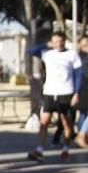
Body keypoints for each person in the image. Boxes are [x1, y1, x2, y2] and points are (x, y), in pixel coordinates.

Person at [28, 32, 81, 161]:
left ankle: (66, 148)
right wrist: (46, 44)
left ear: (64, 41)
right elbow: (31, 51)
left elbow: (78, 75)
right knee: (44, 122)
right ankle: (39, 150)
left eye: (60, 41)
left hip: (66, 92)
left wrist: (77, 93)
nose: (58, 44)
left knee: (66, 123)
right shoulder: (47, 54)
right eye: (55, 41)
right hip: (49, 93)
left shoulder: (72, 55)